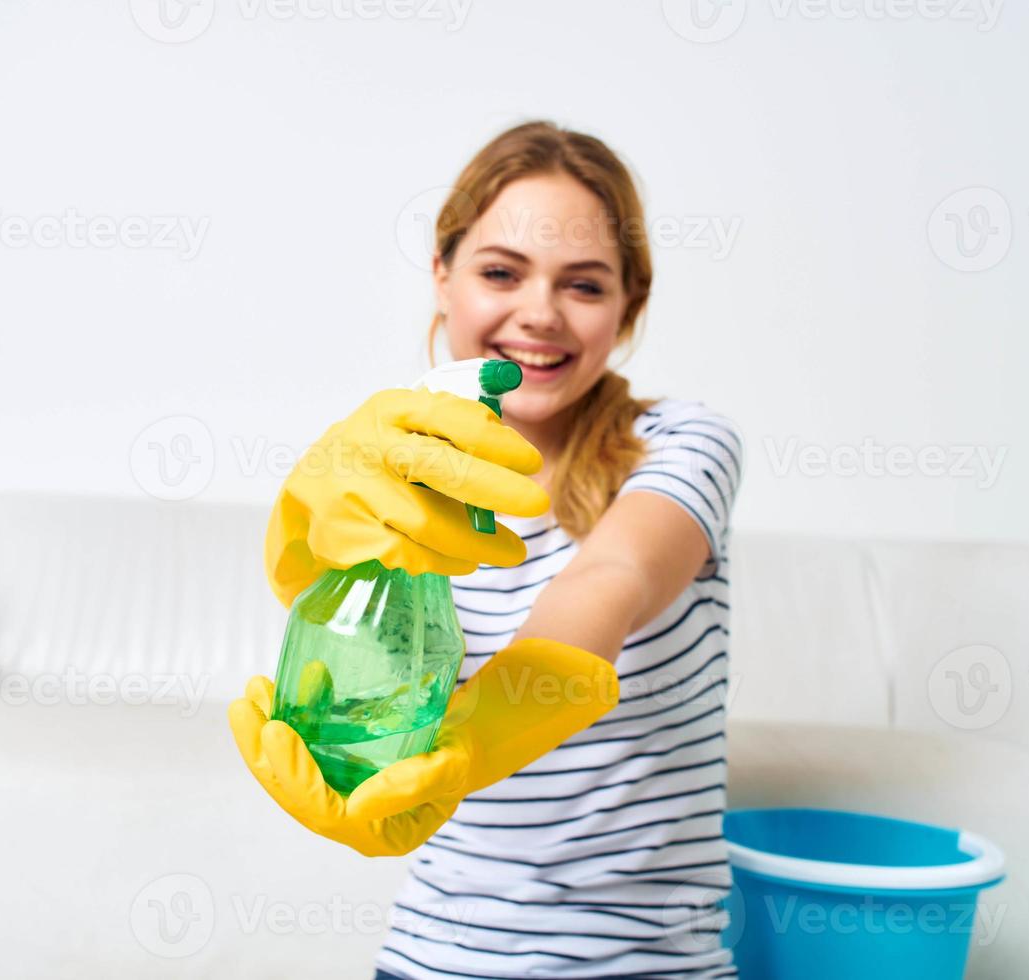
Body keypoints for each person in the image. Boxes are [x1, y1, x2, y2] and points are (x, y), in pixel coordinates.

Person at [229, 119, 744, 979]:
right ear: (443, 277)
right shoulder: (393, 471)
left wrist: (493, 725)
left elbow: (612, 577)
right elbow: (350, 665)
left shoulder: (684, 444)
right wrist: (302, 541)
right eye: (501, 272)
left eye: (583, 284)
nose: (538, 313)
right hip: (433, 960)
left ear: (630, 308)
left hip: (647, 963)